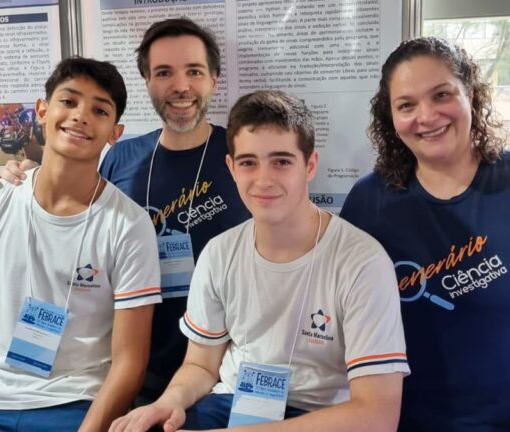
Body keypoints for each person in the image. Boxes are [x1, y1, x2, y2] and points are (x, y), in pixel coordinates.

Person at [340, 37, 510, 432]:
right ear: (390, 117)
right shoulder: (367, 202)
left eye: (441, 94)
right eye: (406, 105)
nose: (426, 116)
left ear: (471, 95)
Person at [110, 90, 410, 432]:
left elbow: (377, 415)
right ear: (231, 167)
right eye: (248, 162)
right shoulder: (220, 253)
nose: (264, 180)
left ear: (310, 165)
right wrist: (168, 402)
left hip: (320, 417)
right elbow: (201, 366)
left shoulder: (361, 262)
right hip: (232, 406)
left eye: (281, 161)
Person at [0, 18, 250, 405]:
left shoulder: (245, 158)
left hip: (218, 375)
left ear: (213, 78)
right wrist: (21, 175)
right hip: (127, 376)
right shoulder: (122, 156)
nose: (180, 86)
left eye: (193, 71)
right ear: (148, 82)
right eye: (164, 72)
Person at [0, 57, 162, 431]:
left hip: (76, 405)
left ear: (115, 132)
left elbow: (129, 362)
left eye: (99, 110)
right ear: (42, 111)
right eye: (69, 101)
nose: (80, 116)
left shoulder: (128, 224)